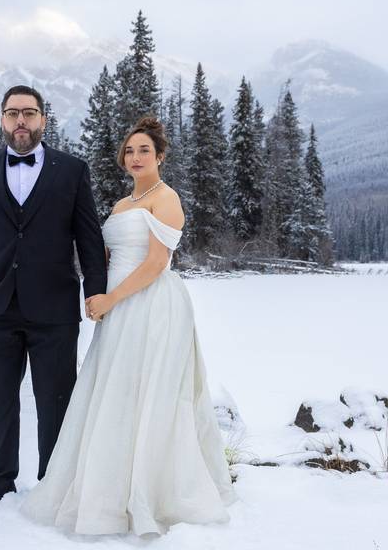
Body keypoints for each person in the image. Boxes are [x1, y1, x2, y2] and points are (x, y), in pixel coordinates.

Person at [20, 116, 237, 536]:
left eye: (144, 151)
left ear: (160, 156)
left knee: (151, 391)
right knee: (114, 390)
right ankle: (108, 488)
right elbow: (103, 256)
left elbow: (155, 263)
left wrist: (112, 298)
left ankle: (152, 491)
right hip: (117, 308)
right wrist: (93, 292)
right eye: (130, 151)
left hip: (152, 305)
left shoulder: (167, 198)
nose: (136, 157)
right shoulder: (121, 206)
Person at [0, 85, 107, 522]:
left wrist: (95, 290)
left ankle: (53, 489)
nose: (21, 120)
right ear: (2, 119)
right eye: (12, 113)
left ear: (43, 119)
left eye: (29, 112)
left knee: (55, 401)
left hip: (54, 308)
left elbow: (88, 236)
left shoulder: (72, 170)